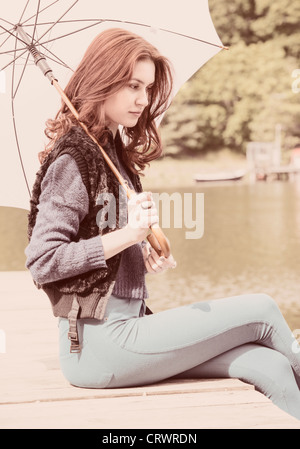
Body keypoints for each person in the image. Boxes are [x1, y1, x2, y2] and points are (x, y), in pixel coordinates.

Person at [25, 28, 300, 421]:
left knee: (267, 366)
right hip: (99, 345)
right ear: (103, 80)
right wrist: (128, 235)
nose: (143, 98)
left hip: (128, 330)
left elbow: (103, 251)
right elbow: (43, 259)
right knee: (261, 308)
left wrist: (138, 252)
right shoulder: (73, 159)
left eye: (148, 87)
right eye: (133, 85)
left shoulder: (110, 151)